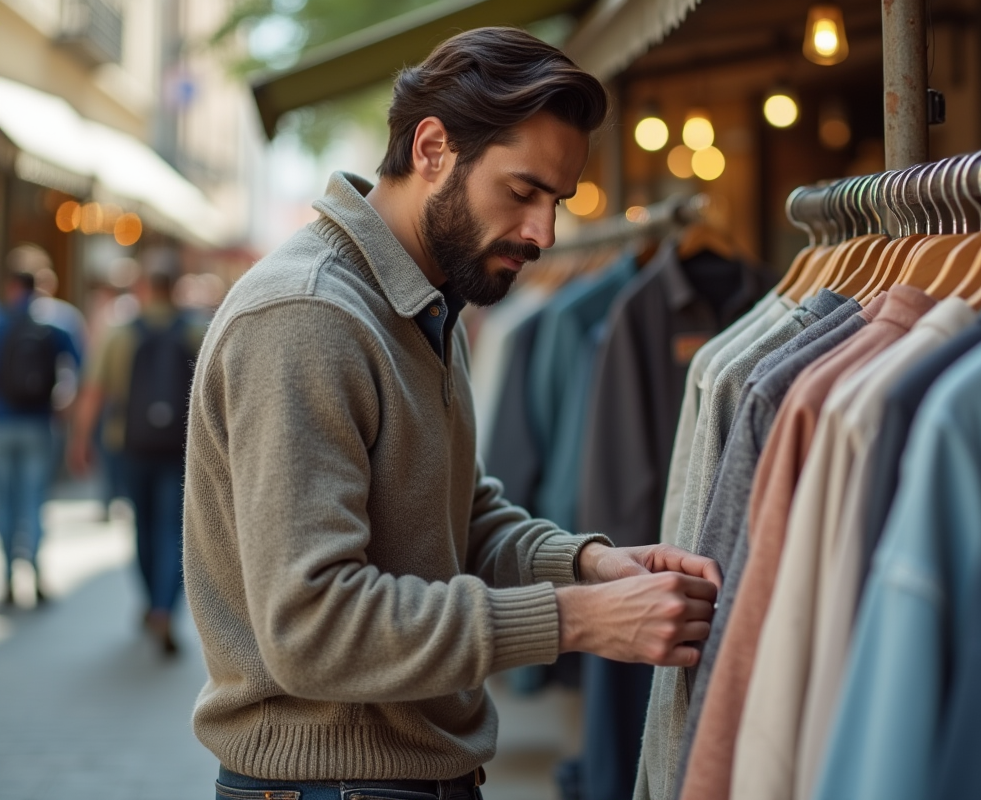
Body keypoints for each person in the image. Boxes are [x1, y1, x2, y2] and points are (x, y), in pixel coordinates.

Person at [183, 27, 721, 800]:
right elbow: (314, 625)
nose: (545, 233)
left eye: (557, 201)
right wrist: (576, 619)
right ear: (432, 147)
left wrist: (589, 564)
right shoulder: (309, 317)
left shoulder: (425, 300)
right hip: (331, 787)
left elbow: (455, 523)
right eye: (523, 191)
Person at [70, 250, 205, 654]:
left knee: (143, 527)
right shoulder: (198, 331)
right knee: (176, 530)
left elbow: (94, 392)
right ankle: (166, 607)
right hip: (182, 448)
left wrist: (80, 441)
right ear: (177, 287)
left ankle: (152, 602)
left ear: (144, 287)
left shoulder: (119, 333)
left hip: (130, 445)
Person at [0, 263, 80, 606]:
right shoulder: (55, 324)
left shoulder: (3, 322)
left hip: (3, 424)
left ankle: (7, 578)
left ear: (12, 287)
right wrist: (65, 404)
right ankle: (33, 573)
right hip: (39, 422)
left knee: (6, 501)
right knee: (33, 500)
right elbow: (79, 368)